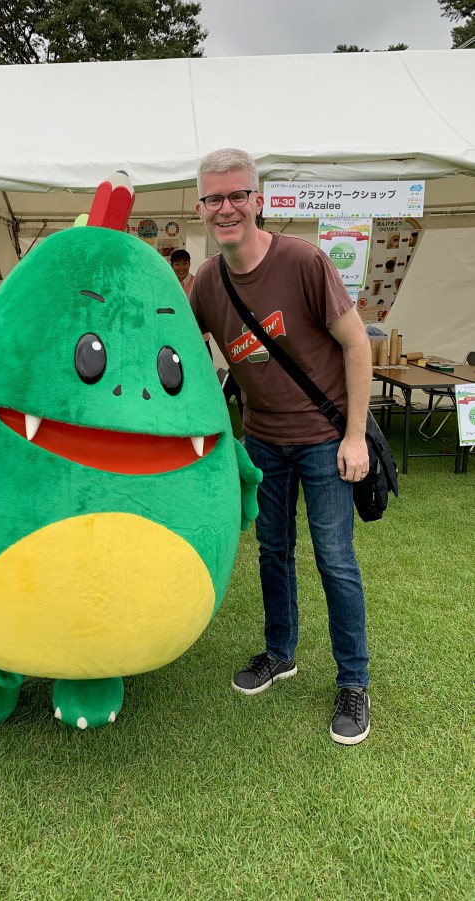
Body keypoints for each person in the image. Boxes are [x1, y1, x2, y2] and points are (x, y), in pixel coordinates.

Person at [190, 148, 373, 745]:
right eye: (215, 197)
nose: (227, 207)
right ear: (201, 208)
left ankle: (354, 682)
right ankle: (280, 652)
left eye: (237, 194)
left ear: (258, 199)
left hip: (323, 441)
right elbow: (185, 355)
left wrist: (353, 436)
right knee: (273, 551)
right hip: (262, 441)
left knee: (334, 560)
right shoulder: (207, 284)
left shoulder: (302, 261)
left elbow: (357, 345)